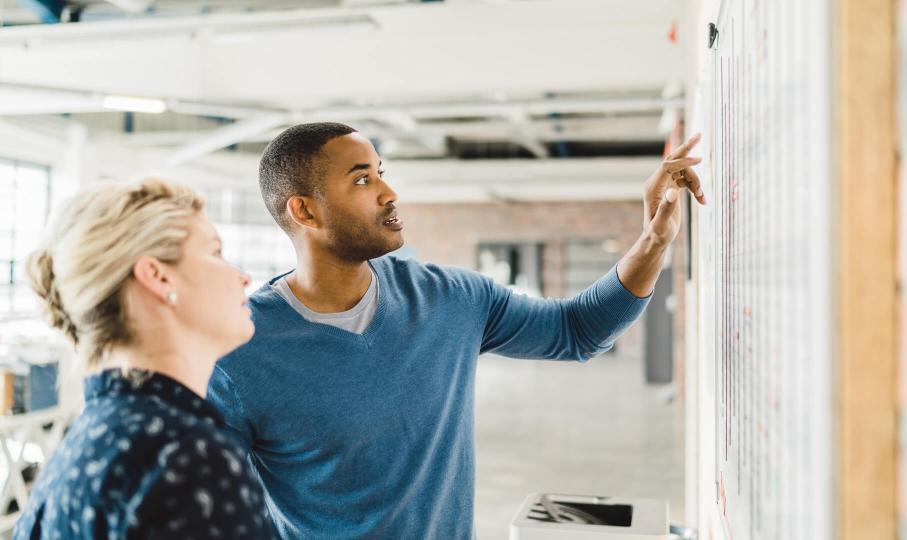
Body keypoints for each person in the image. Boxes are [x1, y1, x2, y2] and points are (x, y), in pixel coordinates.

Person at [207, 123, 705, 539]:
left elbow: (577, 331)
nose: (388, 191)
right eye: (362, 181)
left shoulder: (450, 298)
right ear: (305, 211)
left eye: (381, 173)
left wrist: (654, 241)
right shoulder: (237, 350)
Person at [14, 179, 278, 540]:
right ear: (157, 275)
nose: (243, 277)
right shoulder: (187, 459)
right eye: (215, 252)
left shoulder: (92, 443)